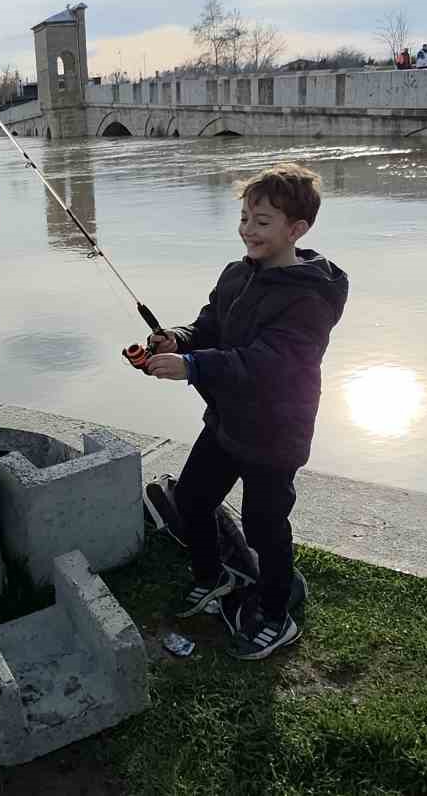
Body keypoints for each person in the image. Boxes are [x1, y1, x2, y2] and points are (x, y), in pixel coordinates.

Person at [142, 163, 348, 660]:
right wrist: (179, 340)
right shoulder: (237, 273)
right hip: (229, 420)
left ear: (296, 230)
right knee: (192, 498)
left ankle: (277, 615)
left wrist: (191, 367)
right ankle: (213, 577)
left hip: (276, 435)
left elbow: (269, 362)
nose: (248, 230)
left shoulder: (309, 297)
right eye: (244, 218)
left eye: (262, 221)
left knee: (264, 526)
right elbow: (211, 323)